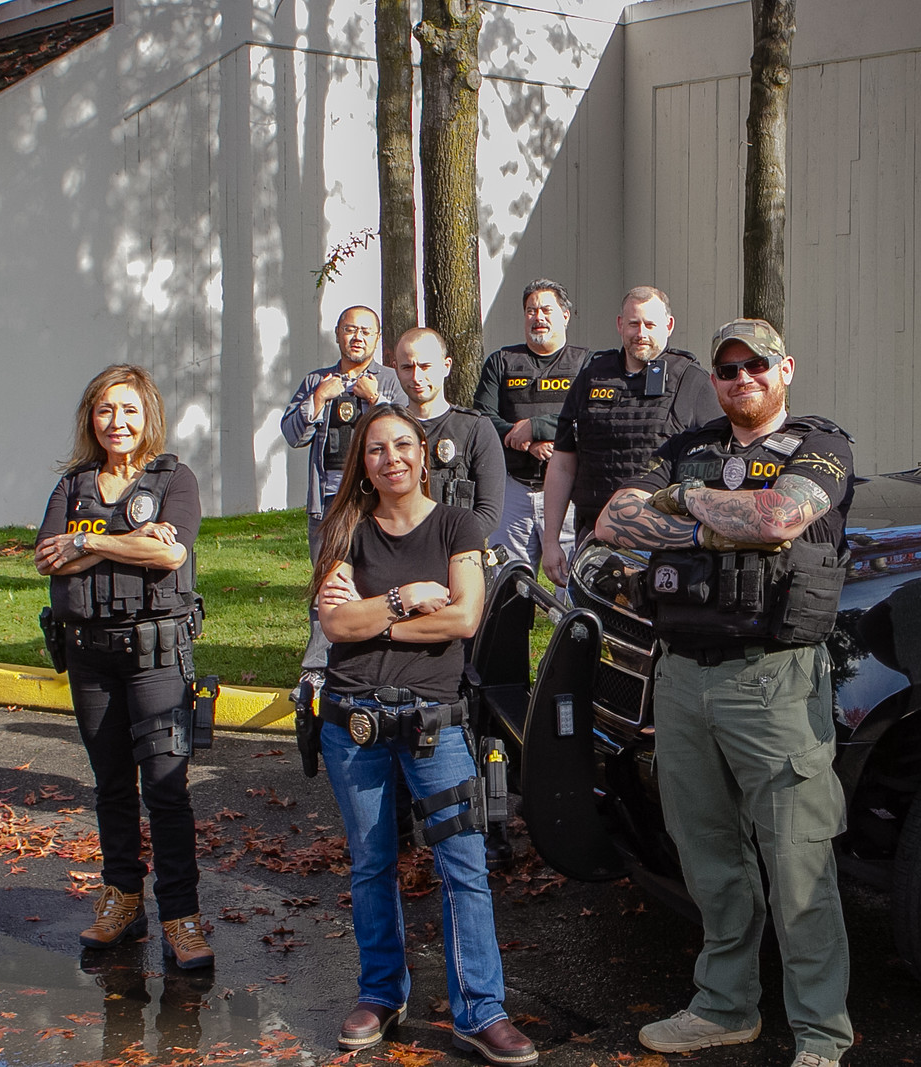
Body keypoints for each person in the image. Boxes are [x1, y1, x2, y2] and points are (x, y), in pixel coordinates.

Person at [595, 318, 856, 1067]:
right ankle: (725, 1004)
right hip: (680, 673)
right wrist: (713, 515)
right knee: (708, 853)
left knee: (798, 858)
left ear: (786, 369)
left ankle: (820, 1032)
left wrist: (683, 512)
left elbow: (781, 516)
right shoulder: (691, 448)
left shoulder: (820, 445)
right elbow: (616, 517)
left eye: (756, 365)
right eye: (727, 368)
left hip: (773, 679)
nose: (742, 378)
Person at [310, 403, 536, 1063]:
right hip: (353, 723)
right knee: (372, 863)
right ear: (364, 462)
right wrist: (407, 598)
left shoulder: (457, 524)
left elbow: (465, 617)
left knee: (463, 865)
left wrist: (370, 617)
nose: (391, 458)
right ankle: (381, 992)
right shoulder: (346, 526)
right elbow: (335, 629)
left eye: (403, 444)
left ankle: (481, 1009)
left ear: (425, 450)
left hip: (434, 724)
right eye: (376, 449)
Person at [34, 364, 214, 970]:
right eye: (107, 410)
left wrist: (87, 542)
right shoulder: (73, 484)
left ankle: (182, 916)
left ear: (148, 418)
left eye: (130, 410)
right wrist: (126, 539)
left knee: (165, 791)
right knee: (111, 787)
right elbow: (46, 559)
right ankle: (122, 900)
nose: (118, 422)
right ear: (92, 417)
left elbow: (171, 552)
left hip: (156, 655)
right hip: (88, 658)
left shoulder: (175, 479)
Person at [541, 285, 721, 585]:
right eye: (634, 323)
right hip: (593, 539)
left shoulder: (693, 381)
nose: (641, 333)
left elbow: (718, 462)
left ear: (669, 326)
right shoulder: (592, 376)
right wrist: (550, 541)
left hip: (664, 547)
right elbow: (562, 462)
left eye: (650, 325)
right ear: (619, 324)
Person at [281, 305, 403, 717]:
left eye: (366, 331)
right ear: (337, 334)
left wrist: (378, 401)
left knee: (375, 582)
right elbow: (292, 435)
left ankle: (374, 661)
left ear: (377, 337)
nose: (357, 337)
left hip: (374, 504)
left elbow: (407, 434)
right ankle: (316, 669)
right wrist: (318, 398)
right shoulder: (317, 381)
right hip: (328, 504)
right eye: (350, 330)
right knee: (326, 587)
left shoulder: (389, 380)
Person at [473, 279, 586, 568]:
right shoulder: (501, 362)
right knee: (507, 583)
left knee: (571, 583)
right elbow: (482, 418)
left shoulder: (587, 364)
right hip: (513, 490)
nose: (538, 317)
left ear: (565, 315)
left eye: (546, 310)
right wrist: (525, 440)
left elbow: (589, 419)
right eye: (531, 311)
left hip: (569, 495)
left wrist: (537, 427)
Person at [397, 326, 506, 536]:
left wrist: (441, 545)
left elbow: (489, 514)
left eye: (425, 366)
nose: (416, 377)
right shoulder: (385, 429)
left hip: (456, 556)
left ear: (446, 366)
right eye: (407, 367)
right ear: (395, 368)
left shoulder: (476, 429)